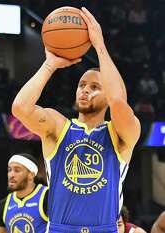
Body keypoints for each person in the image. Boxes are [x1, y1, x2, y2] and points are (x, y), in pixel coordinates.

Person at [12, 7, 141, 233]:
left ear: (107, 93)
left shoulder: (121, 133)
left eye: (94, 87)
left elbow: (119, 101)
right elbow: (20, 108)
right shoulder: (59, 126)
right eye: (81, 85)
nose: (84, 91)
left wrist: (99, 46)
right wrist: (49, 65)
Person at [0, 153, 48, 233]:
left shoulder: (48, 196)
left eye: (17, 170)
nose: (11, 175)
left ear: (31, 175)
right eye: (9, 170)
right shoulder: (3, 204)